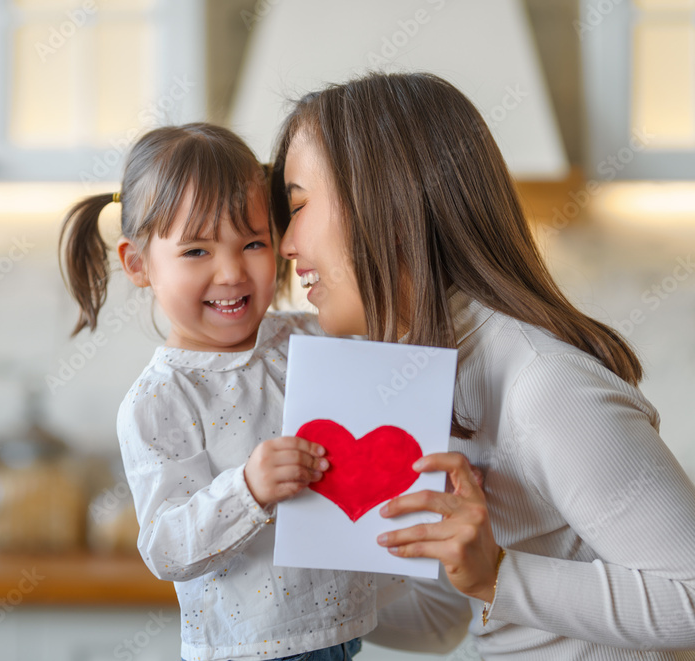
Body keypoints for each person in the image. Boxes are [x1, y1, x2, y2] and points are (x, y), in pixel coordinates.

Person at [272, 71, 695, 659]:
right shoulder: (429, 374)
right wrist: (277, 579)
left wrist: (497, 574)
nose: (286, 244)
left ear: (386, 202)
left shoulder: (544, 385)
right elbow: (445, 618)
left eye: (297, 206)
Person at [59, 123, 373, 661]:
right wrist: (248, 489)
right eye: (197, 251)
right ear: (138, 264)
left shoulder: (308, 338)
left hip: (339, 634)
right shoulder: (160, 399)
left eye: (252, 243)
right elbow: (166, 549)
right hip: (248, 650)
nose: (231, 272)